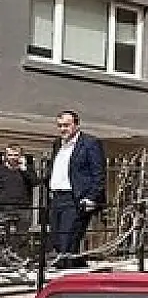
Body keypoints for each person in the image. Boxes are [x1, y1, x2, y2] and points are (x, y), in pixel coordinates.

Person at [44, 111, 106, 269]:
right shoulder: (57, 143)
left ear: (76, 125)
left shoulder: (90, 143)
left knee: (68, 239)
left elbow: (99, 173)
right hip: (57, 196)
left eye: (66, 125)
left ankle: (66, 270)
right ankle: (76, 265)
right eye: (60, 126)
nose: (62, 129)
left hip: (76, 198)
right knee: (56, 238)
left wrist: (92, 197)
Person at [0, 144, 37, 242]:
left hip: (23, 208)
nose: (13, 158)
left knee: (22, 238)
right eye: (10, 155)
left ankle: (17, 251)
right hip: (4, 208)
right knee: (4, 238)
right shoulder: (1, 170)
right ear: (5, 156)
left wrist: (24, 169)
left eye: (16, 155)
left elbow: (35, 182)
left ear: (21, 156)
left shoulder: (27, 169)